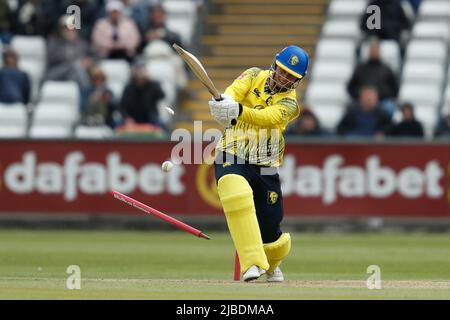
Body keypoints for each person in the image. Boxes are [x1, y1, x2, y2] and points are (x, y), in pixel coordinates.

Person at [208, 45, 309, 282]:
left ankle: (272, 265)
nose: (284, 78)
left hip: (265, 162)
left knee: (272, 231)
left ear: (297, 81)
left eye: (291, 77)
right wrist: (224, 105)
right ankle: (252, 263)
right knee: (236, 192)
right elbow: (234, 91)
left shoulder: (290, 104)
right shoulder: (253, 74)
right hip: (231, 151)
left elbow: (267, 118)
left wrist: (237, 110)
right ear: (275, 64)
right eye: (282, 71)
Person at [347, 38, 399, 117]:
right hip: (362, 102)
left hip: (382, 101)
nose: (374, 51)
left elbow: (394, 89)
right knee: (351, 109)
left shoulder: (387, 69)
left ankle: (385, 128)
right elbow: (350, 87)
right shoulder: (360, 68)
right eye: (372, 49)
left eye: (376, 49)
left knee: (389, 107)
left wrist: (378, 96)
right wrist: (362, 95)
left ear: (379, 51)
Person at [46, 15, 93, 93]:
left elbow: (95, 55)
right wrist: (74, 62)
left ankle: (82, 98)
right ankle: (86, 93)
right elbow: (53, 59)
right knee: (76, 66)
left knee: (75, 75)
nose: (70, 31)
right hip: (56, 72)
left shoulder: (82, 44)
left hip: (75, 73)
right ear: (61, 30)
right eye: (67, 28)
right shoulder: (54, 43)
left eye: (72, 28)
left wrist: (89, 61)